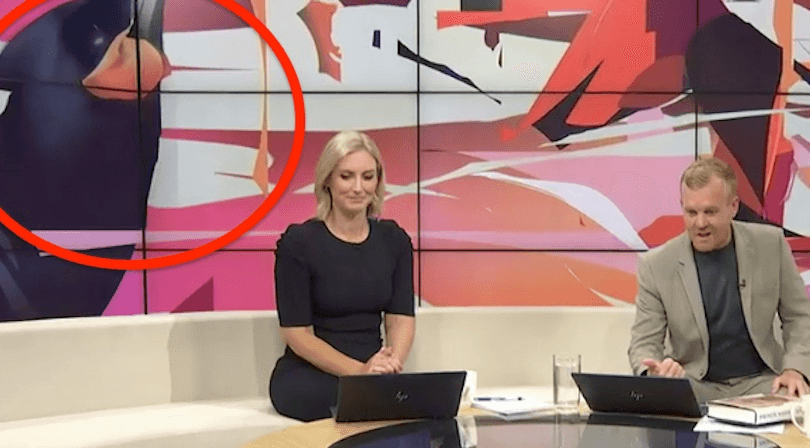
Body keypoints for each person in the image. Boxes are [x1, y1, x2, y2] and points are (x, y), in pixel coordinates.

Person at [628, 156, 810, 403]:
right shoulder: (656, 265)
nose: (700, 223)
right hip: (695, 384)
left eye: (710, 212)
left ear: (733, 206)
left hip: (762, 381)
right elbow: (644, 343)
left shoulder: (771, 244)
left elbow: (799, 316)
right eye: (691, 212)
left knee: (797, 399)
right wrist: (654, 373)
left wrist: (795, 369)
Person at [269, 130, 415, 421]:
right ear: (328, 180)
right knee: (360, 402)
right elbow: (297, 335)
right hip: (310, 375)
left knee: (431, 403)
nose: (358, 188)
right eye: (346, 176)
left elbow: (400, 319)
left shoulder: (394, 240)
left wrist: (390, 365)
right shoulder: (299, 244)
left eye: (368, 177)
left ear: (378, 182)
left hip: (372, 371)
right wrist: (360, 372)